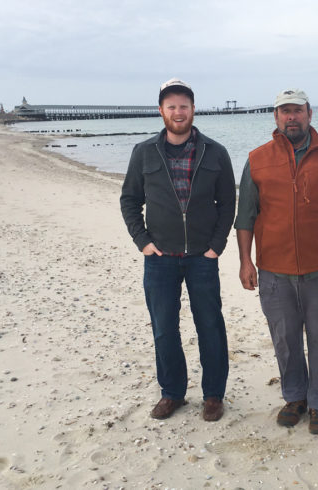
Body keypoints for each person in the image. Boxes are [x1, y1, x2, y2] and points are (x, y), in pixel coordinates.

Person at [235, 89, 318, 435]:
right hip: (273, 270)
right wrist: (245, 262)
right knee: (285, 337)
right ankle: (295, 397)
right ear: (275, 117)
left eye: (297, 110)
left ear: (310, 114)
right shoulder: (257, 159)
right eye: (284, 111)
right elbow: (245, 215)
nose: (291, 117)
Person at [120, 78, 235, 422]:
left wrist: (217, 246)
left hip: (202, 257)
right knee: (164, 328)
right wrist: (143, 241)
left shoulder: (215, 152)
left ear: (193, 109)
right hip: (160, 259)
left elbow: (228, 202)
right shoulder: (144, 153)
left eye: (184, 106)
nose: (178, 112)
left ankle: (213, 395)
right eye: (171, 106)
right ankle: (172, 393)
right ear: (161, 111)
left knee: (210, 326)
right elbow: (129, 200)